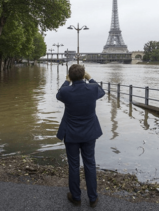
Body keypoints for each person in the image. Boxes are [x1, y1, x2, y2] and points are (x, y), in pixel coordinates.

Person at [56, 64, 105, 208]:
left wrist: (67, 81)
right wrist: (90, 78)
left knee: (74, 165)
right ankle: (93, 198)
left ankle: (76, 197)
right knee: (90, 164)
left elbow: (58, 94)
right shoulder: (93, 88)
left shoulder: (66, 91)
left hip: (71, 133)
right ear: (83, 75)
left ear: (70, 76)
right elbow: (102, 92)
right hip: (89, 132)